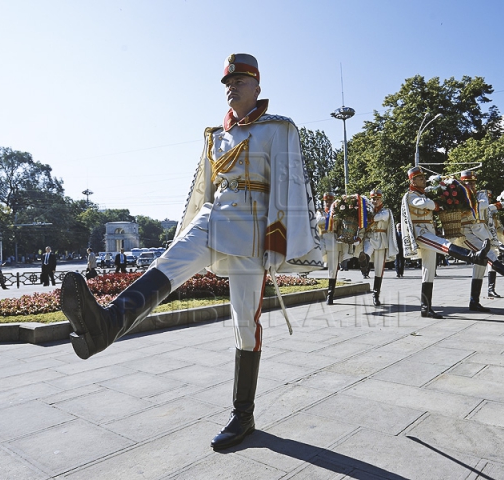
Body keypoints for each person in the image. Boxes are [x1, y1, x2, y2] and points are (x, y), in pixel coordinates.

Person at [58, 54, 322, 451]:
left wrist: (278, 243)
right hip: (213, 218)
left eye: (240, 80)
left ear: (257, 87)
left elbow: (288, 182)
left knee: (244, 323)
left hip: (253, 228)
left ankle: (243, 414)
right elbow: (207, 188)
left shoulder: (278, 130)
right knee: (169, 264)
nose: (231, 86)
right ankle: (106, 326)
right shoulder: (215, 135)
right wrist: (192, 223)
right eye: (227, 81)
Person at [401, 167, 490, 318]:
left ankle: (425, 308)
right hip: (420, 232)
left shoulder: (424, 194)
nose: (423, 179)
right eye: (420, 178)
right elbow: (425, 204)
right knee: (443, 244)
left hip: (428, 230)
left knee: (428, 272)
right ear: (412, 181)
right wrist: (435, 203)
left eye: (423, 177)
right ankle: (473, 256)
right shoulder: (411, 196)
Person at [456, 171, 504, 312]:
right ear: (462, 184)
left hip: (480, 233)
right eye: (468, 183)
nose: (471, 185)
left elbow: (484, 205)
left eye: (473, 182)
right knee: (490, 257)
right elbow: (480, 205)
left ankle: (474, 302)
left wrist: (501, 205)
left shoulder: (478, 195)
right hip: (466, 234)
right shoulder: (460, 196)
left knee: (480, 267)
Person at [316, 192, 352, 305]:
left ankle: (330, 294)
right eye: (326, 201)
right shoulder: (320, 212)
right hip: (322, 240)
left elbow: (343, 224)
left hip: (333, 241)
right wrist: (331, 219)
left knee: (332, 270)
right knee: (316, 257)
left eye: (330, 201)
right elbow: (318, 221)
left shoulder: (339, 213)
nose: (328, 203)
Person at [363, 189, 398, 306]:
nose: (375, 201)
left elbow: (380, 217)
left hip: (381, 240)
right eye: (373, 199)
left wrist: (368, 215)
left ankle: (375, 295)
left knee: (379, 270)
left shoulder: (386, 211)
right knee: (366, 251)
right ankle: (364, 263)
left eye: (377, 199)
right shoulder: (366, 211)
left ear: (381, 199)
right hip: (370, 237)